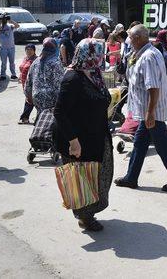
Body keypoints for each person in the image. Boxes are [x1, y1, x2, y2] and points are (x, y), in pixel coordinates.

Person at [114, 24, 167, 191]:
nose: (129, 41)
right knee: (140, 143)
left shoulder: (148, 56)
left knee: (163, 146)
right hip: (146, 111)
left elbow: (153, 87)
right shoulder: (141, 53)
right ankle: (131, 177)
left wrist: (150, 113)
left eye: (131, 38)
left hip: (152, 111)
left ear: (139, 38)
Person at [53, 39, 113, 232]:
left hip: (97, 135)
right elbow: (59, 112)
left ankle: (89, 212)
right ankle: (85, 216)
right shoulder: (72, 78)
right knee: (82, 180)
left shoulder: (94, 74)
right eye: (98, 53)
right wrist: (73, 142)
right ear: (88, 54)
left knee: (99, 177)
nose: (101, 57)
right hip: (77, 140)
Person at [25, 38, 65, 115]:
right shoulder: (55, 62)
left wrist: (28, 95)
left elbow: (29, 80)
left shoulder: (36, 61)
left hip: (36, 96)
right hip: (51, 98)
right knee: (49, 121)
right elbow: (59, 82)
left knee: (40, 116)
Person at [0, 13, 20, 80]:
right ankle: (3, 75)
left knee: (12, 62)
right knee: (3, 63)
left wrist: (10, 20)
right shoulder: (0, 26)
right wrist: (0, 21)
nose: (4, 20)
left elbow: (17, 26)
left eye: (4, 19)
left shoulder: (10, 26)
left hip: (11, 47)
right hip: (3, 48)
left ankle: (13, 74)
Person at [18, 44, 37, 124]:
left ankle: (25, 118)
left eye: (30, 49)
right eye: (27, 49)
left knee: (30, 100)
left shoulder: (36, 60)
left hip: (32, 83)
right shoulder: (25, 58)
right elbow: (22, 68)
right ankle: (35, 117)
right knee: (31, 100)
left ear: (34, 50)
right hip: (25, 83)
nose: (28, 51)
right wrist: (20, 77)